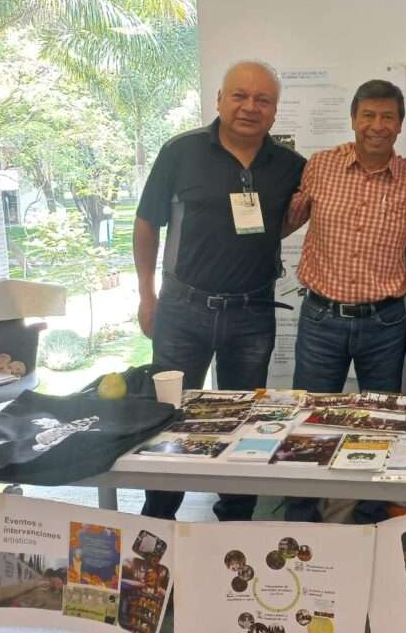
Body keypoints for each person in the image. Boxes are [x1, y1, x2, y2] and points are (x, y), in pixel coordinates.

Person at [133, 60, 306, 521]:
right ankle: (159, 520)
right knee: (171, 418)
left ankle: (235, 519)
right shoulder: (181, 151)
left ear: (275, 110)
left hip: (252, 313)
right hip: (182, 309)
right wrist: (146, 294)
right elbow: (147, 223)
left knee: (245, 421)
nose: (250, 107)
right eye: (239, 96)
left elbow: (286, 221)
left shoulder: (290, 166)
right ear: (219, 99)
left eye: (262, 99)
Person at [282, 79, 406, 522]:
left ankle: (369, 514)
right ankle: (302, 515)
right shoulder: (321, 166)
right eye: (368, 115)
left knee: (381, 422)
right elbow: (286, 221)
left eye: (387, 116)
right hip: (321, 318)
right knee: (311, 421)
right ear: (353, 119)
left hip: (384, 323)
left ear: (400, 124)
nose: (377, 125)